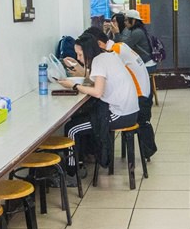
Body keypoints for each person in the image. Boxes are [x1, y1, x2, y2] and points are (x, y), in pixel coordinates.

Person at [70, 26, 157, 159]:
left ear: (98, 44)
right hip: (141, 95)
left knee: (94, 114)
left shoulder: (112, 52)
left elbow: (99, 81)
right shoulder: (119, 46)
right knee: (97, 111)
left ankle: (93, 153)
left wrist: (76, 81)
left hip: (138, 98)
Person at [58, 33, 139, 169]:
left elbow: (97, 92)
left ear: (88, 52)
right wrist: (78, 68)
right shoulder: (107, 56)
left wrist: (73, 85)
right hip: (130, 111)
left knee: (72, 128)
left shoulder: (99, 61)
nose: (78, 58)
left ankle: (72, 172)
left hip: (121, 114)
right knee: (81, 117)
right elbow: (96, 79)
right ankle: (85, 157)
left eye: (80, 54)